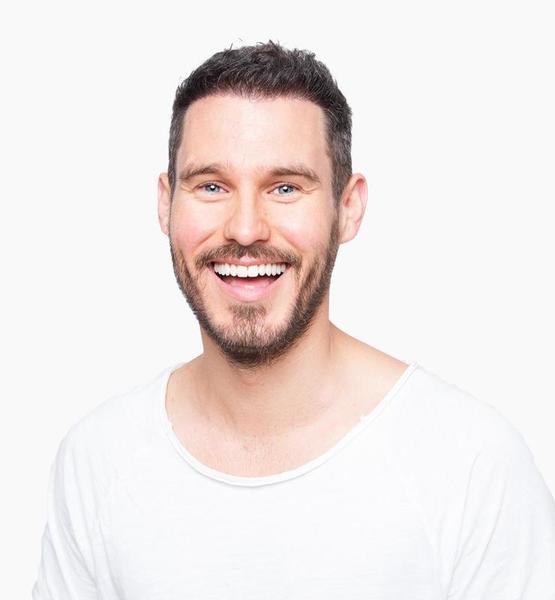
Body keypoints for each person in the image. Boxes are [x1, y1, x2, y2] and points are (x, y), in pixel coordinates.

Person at [33, 40, 555, 599]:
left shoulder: (471, 466)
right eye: (211, 186)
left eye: (285, 188)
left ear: (347, 208)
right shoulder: (98, 459)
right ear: (166, 203)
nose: (245, 228)